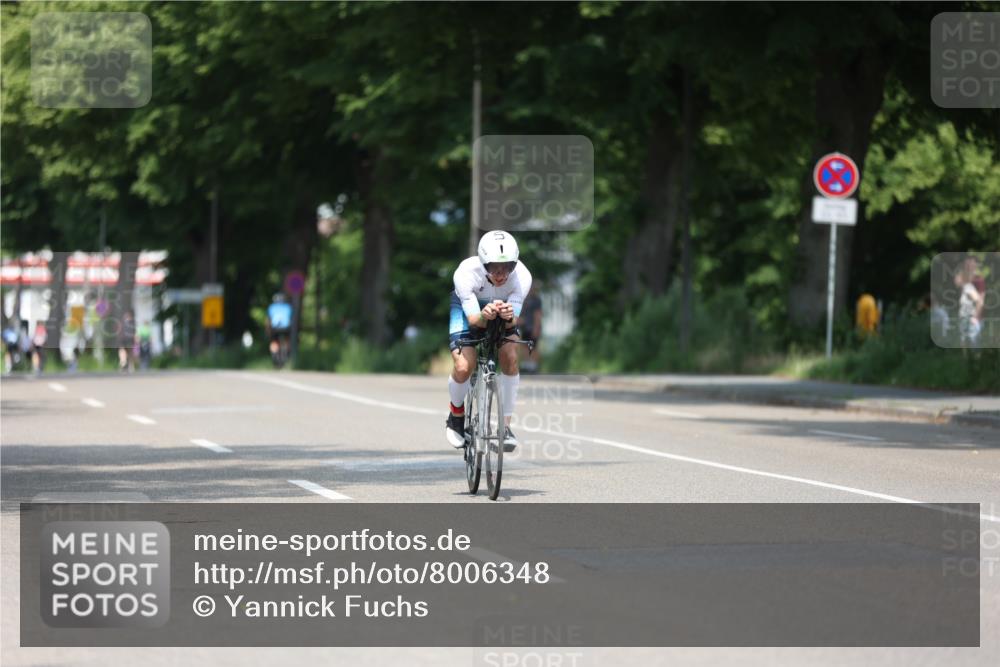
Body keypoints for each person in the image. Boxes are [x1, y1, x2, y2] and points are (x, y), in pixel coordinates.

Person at [445, 230, 531, 452]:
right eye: (494, 267)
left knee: (510, 357)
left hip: (500, 311)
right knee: (464, 366)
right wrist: (485, 314)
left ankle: (505, 428)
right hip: (469, 311)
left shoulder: (522, 276)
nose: (501, 274)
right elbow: (474, 320)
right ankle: (456, 413)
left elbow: (512, 322)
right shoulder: (465, 272)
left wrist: (507, 314)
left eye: (507, 267)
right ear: (483, 264)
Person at [517, 287, 543, 373]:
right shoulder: (524, 300)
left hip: (533, 327)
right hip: (524, 327)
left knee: (534, 346)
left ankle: (534, 365)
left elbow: (538, 315)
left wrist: (536, 328)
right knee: (524, 346)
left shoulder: (536, 300)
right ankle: (527, 364)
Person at [266, 292, 293, 366]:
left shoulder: (271, 307)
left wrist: (268, 330)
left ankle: (274, 355)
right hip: (286, 328)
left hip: (275, 328)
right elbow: (291, 319)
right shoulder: (288, 307)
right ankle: (286, 353)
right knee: (287, 340)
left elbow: (269, 320)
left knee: (274, 341)